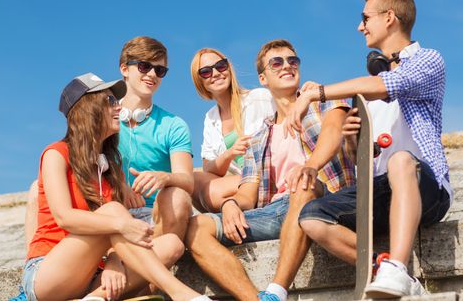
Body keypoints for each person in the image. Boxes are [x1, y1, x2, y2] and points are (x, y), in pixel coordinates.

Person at [287, 0, 453, 298]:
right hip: (380, 190)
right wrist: (353, 139)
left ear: (390, 17)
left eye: (366, 18)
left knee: (402, 160)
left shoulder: (429, 60)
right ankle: (383, 268)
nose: (359, 26)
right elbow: (365, 154)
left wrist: (315, 93)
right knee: (312, 218)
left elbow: (392, 84)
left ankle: (399, 270)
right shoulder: (369, 93)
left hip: (427, 187)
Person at [185, 39, 355, 301]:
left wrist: (309, 167)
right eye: (277, 62)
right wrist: (231, 204)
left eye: (292, 61)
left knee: (303, 183)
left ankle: (276, 290)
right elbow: (248, 194)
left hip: (324, 200)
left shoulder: (323, 102)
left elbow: (333, 133)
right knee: (195, 226)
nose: (287, 66)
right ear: (263, 78)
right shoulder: (260, 136)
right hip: (276, 211)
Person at [22, 72, 211, 301]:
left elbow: (113, 235)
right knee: (114, 212)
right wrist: (122, 224)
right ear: (86, 109)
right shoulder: (56, 154)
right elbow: (65, 218)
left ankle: (94, 297)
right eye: (110, 101)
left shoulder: (109, 168)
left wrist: (113, 260)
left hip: (92, 273)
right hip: (49, 271)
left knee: (171, 245)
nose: (119, 107)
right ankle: (180, 293)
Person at [118, 36, 194, 240]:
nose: (152, 74)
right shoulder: (100, 117)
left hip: (156, 217)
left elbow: (187, 180)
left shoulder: (174, 125)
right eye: (144, 66)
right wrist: (118, 185)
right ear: (124, 69)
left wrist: (164, 177)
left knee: (178, 196)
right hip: (112, 213)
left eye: (160, 70)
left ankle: (153, 259)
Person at [190, 48, 275, 212]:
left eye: (220, 66)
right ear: (200, 81)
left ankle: (235, 207)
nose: (215, 73)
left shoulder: (259, 97)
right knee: (192, 178)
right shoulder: (211, 118)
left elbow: (288, 112)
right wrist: (230, 153)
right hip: (240, 182)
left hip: (267, 176)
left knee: (212, 192)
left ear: (228, 68)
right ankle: (235, 207)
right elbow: (209, 167)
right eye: (206, 72)